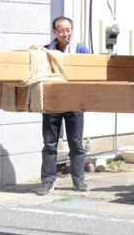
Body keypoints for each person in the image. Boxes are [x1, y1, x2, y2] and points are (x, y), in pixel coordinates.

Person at [37, 17, 92, 195]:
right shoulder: (46, 51)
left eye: (68, 30)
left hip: (75, 102)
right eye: (61, 30)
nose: (65, 34)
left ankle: (78, 180)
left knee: (76, 143)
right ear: (54, 32)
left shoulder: (80, 49)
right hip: (52, 102)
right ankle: (47, 181)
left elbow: (91, 70)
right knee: (49, 144)